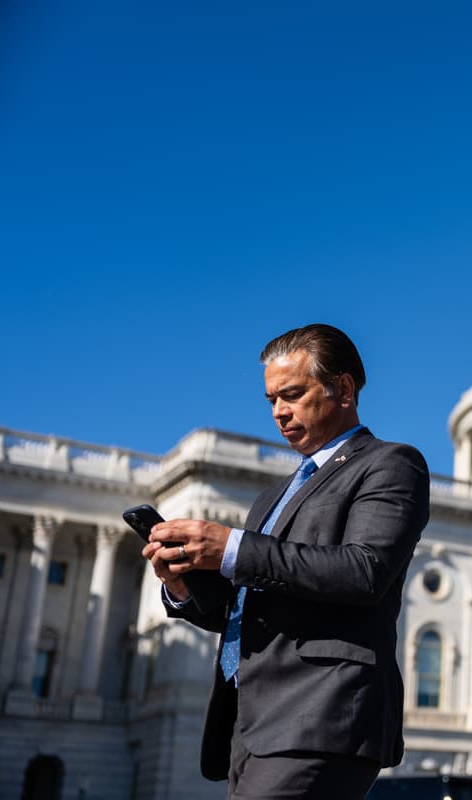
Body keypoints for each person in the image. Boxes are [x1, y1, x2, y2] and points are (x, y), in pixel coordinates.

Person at [141, 323, 430, 799]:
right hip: (251, 721)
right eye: (272, 399)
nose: (279, 412)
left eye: (292, 394)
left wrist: (232, 548)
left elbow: (364, 571)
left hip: (322, 711)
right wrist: (183, 587)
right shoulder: (272, 498)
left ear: (342, 389)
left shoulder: (390, 464)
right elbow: (247, 613)